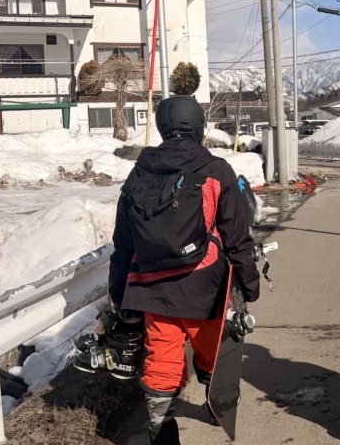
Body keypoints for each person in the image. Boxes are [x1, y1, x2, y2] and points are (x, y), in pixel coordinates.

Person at [109, 95, 261, 445]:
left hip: (151, 288)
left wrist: (120, 296)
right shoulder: (215, 170)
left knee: (162, 358)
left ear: (162, 128)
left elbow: (123, 245)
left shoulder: (139, 172)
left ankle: (162, 430)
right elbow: (237, 236)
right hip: (205, 284)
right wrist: (249, 284)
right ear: (199, 127)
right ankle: (216, 403)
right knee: (212, 350)